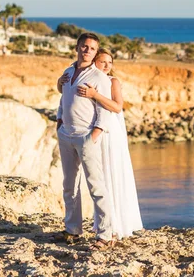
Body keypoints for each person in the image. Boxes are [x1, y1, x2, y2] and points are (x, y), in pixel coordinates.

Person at [58, 48, 143, 239]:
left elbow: (117, 107)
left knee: (107, 177)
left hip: (108, 134)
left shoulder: (112, 81)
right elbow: (66, 96)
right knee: (97, 178)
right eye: (102, 61)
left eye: (110, 62)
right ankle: (97, 225)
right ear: (94, 62)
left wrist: (94, 95)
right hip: (91, 132)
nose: (106, 65)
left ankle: (113, 227)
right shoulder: (86, 78)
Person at [56, 33, 115, 250]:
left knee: (95, 186)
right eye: (84, 46)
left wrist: (95, 134)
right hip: (66, 135)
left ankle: (105, 234)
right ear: (77, 47)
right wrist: (59, 122)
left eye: (91, 48)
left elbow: (105, 110)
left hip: (86, 136)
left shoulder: (99, 77)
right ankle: (72, 230)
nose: (87, 50)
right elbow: (63, 98)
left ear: (95, 51)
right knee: (69, 185)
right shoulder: (68, 71)